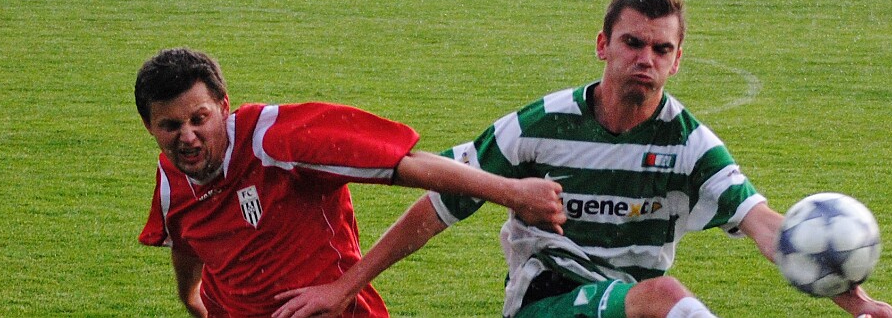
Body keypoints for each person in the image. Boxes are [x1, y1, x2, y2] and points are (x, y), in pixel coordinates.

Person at [279, 0, 892, 318]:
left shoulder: (688, 143)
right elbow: (438, 205)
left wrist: (856, 304)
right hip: (547, 300)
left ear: (677, 60)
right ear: (603, 45)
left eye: (661, 49)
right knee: (664, 294)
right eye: (633, 43)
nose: (645, 58)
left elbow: (765, 224)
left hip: (631, 307)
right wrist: (345, 286)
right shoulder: (539, 125)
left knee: (655, 296)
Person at [133, 47, 567, 318]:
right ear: (150, 127)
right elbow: (185, 242)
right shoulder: (171, 181)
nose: (188, 137)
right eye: (171, 126)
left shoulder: (277, 139)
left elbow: (407, 165)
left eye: (199, 118)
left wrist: (514, 192)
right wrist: (191, 299)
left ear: (224, 106)